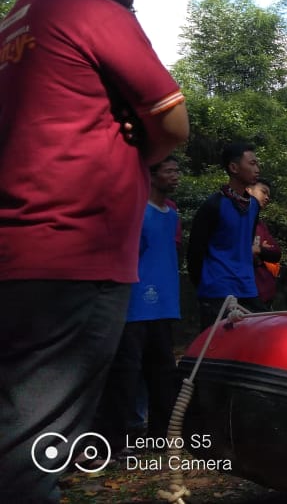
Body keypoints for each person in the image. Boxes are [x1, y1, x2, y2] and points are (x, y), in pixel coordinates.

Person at [0, 0, 189, 502]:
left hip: (15, 258)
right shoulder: (93, 12)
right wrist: (139, 141)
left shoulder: (14, 22)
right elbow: (175, 124)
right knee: (34, 450)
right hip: (73, 260)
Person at [95, 156, 184, 451]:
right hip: (135, 303)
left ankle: (160, 437)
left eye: (177, 171)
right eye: (169, 171)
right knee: (125, 374)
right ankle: (113, 441)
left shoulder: (172, 214)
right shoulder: (135, 212)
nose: (175, 176)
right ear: (152, 175)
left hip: (165, 304)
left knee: (162, 372)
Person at [187, 141, 266, 330]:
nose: (257, 168)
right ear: (233, 167)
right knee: (215, 347)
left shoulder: (254, 206)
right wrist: (205, 284)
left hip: (247, 288)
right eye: (252, 163)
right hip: (217, 290)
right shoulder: (213, 205)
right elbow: (195, 251)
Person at [248, 178, 282, 310]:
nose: (267, 197)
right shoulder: (235, 218)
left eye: (269, 195)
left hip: (264, 294)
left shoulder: (260, 225)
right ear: (248, 190)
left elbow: (276, 253)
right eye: (264, 192)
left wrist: (258, 249)